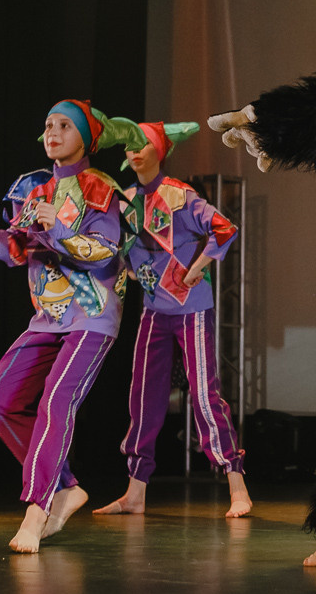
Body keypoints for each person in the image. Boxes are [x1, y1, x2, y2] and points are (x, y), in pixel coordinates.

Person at [0, 99, 146, 553]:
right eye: (48, 124)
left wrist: (61, 230)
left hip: (93, 316)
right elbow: (19, 251)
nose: (53, 131)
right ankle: (65, 486)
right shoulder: (35, 190)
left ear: (85, 137)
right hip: (48, 317)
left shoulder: (101, 188)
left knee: (56, 400)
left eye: (64, 125)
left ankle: (37, 508)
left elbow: (105, 250)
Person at [93, 121, 253, 519]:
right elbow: (118, 248)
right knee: (143, 396)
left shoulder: (180, 195)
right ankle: (135, 493)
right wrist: (129, 269)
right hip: (153, 311)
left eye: (143, 143)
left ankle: (237, 484)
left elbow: (224, 228)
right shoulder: (126, 199)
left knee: (203, 394)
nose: (134, 150)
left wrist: (198, 266)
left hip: (191, 309)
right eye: (129, 144)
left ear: (160, 150)